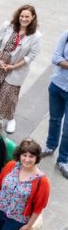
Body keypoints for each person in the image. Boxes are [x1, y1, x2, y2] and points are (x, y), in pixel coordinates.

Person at [0, 5, 41, 135]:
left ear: (33, 17)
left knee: (9, 96)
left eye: (27, 16)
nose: (24, 19)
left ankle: (10, 119)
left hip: (16, 69)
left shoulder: (36, 36)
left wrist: (12, 66)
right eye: (22, 16)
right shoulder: (8, 26)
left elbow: (31, 56)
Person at [44, 29, 68, 178]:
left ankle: (63, 159)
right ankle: (50, 145)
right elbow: (55, 57)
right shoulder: (66, 34)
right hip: (57, 85)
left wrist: (64, 62)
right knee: (54, 119)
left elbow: (61, 60)